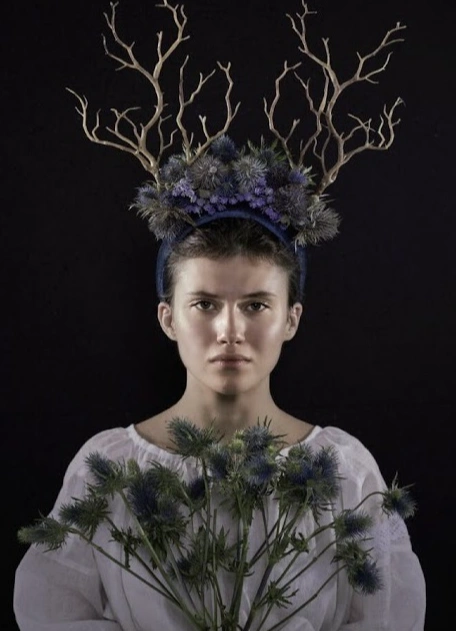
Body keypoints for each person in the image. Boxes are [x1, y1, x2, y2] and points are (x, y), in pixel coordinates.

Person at [14, 207, 426, 629]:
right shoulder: (109, 470)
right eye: (205, 304)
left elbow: (389, 616)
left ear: (291, 318)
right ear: (168, 318)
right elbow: (50, 610)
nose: (230, 331)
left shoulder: (346, 473)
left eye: (256, 305)